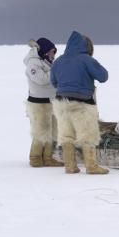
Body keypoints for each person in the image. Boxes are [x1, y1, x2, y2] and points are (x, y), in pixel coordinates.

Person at [49, 31, 109, 174]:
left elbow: (53, 82)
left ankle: (70, 166)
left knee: (66, 135)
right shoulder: (86, 59)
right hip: (83, 104)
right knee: (88, 134)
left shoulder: (58, 61)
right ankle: (91, 166)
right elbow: (103, 76)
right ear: (88, 47)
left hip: (61, 103)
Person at [23, 37, 61, 167]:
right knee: (40, 132)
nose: (53, 54)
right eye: (51, 51)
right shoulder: (33, 63)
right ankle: (35, 158)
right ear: (43, 50)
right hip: (38, 103)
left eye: (54, 52)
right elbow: (42, 79)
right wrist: (55, 70)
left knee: (51, 131)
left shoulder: (47, 62)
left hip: (50, 101)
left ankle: (48, 157)